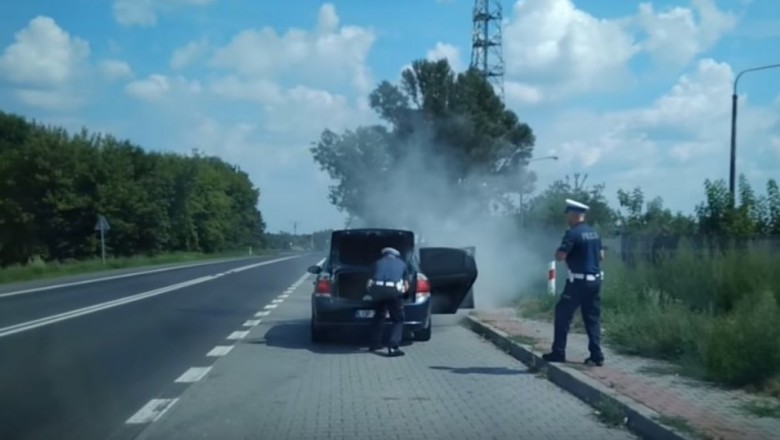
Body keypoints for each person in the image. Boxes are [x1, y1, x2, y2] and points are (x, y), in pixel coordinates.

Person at [542, 199, 606, 367]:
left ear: (574, 215)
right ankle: (596, 355)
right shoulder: (594, 233)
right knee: (592, 318)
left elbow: (560, 256)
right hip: (595, 281)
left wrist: (562, 252)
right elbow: (601, 257)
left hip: (578, 282)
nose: (567, 218)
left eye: (568, 215)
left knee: (562, 314)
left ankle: (558, 352)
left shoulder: (572, 233)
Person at [366, 247, 410, 357]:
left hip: (378, 290)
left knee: (379, 316)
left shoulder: (376, 263)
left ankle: (374, 343)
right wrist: (402, 295)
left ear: (384, 255)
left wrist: (373, 293)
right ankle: (393, 347)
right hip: (393, 291)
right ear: (395, 255)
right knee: (398, 319)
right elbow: (406, 285)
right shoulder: (402, 264)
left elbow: (368, 284)